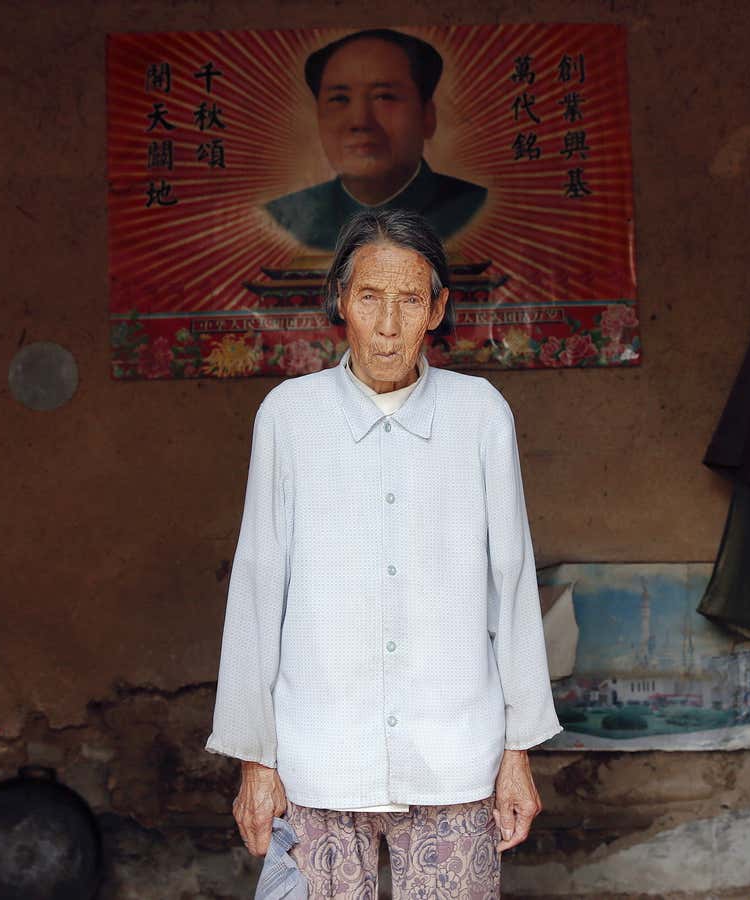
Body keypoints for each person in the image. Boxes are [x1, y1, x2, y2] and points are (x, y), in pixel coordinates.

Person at [207, 209, 558, 898]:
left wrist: (517, 754)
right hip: (317, 762)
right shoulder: (290, 416)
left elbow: (510, 585)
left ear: (438, 309)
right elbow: (257, 586)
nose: (389, 325)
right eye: (370, 298)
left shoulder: (479, 414)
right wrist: (255, 759)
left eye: (410, 299)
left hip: (456, 760)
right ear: (341, 301)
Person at [264, 29, 488, 252]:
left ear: (427, 116)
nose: (360, 121)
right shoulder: (282, 217)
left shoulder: (476, 208)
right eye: (339, 99)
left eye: (384, 96)